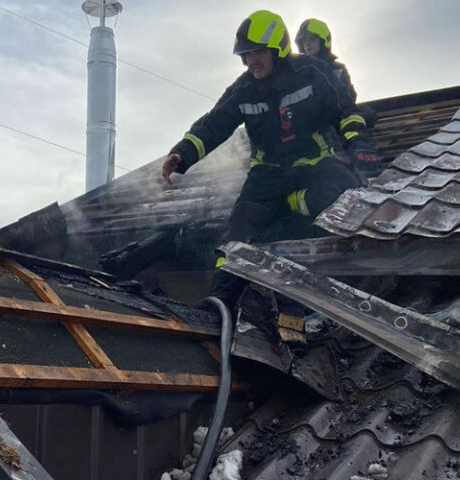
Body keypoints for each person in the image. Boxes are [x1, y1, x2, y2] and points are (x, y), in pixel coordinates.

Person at [161, 10, 380, 306]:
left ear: (277, 48)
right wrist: (182, 153)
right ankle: (220, 301)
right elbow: (215, 123)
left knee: (345, 191)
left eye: (257, 53)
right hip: (268, 173)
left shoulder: (312, 72)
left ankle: (288, 210)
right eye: (246, 55)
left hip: (314, 165)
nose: (251, 61)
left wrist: (358, 145)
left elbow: (345, 110)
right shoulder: (243, 88)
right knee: (237, 232)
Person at [295, 18, 356, 101]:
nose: (308, 43)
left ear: (322, 41)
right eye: (304, 40)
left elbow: (349, 98)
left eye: (312, 38)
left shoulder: (338, 69)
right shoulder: (298, 73)